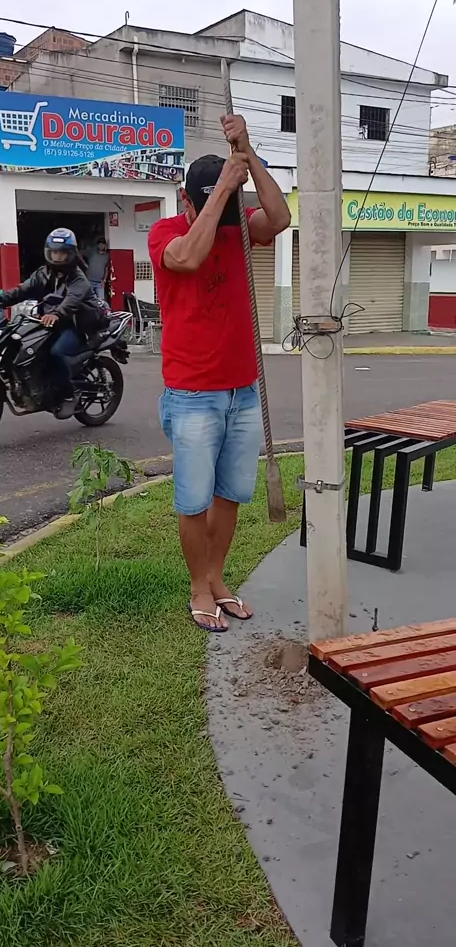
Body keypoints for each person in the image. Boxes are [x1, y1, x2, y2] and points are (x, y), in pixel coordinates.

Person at [148, 113, 291, 633]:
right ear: (186, 200)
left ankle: (216, 578)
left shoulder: (238, 229)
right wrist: (223, 192)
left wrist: (247, 154)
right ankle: (197, 587)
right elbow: (187, 259)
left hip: (242, 391)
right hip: (192, 394)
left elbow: (279, 218)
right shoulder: (166, 232)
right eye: (212, 201)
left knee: (229, 494)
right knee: (193, 500)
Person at [0, 227, 106, 420]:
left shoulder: (78, 278)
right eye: (54, 252)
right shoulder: (43, 273)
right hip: (50, 322)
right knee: (23, 344)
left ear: (71, 254)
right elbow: (22, 290)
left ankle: (69, 394)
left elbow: (72, 301)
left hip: (76, 325)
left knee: (56, 353)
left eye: (62, 252)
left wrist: (57, 314)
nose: (57, 257)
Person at [86, 237, 109, 301]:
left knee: (101, 301)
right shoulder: (91, 252)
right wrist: (84, 264)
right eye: (100, 244)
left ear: (105, 245)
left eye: (103, 244)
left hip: (100, 283)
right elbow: (79, 253)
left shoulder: (107, 256)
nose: (101, 245)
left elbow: (106, 269)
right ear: (97, 245)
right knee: (89, 300)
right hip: (89, 281)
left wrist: (104, 280)